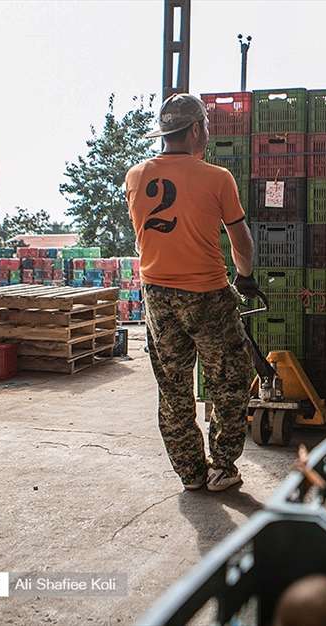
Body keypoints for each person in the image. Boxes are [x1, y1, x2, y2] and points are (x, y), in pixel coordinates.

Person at [126, 93, 257, 492]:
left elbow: (142, 238)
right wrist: (245, 276)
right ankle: (222, 466)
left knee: (173, 387)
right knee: (232, 380)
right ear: (197, 129)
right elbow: (240, 241)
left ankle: (190, 473)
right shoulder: (217, 178)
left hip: (156, 298)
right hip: (206, 295)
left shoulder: (135, 176)